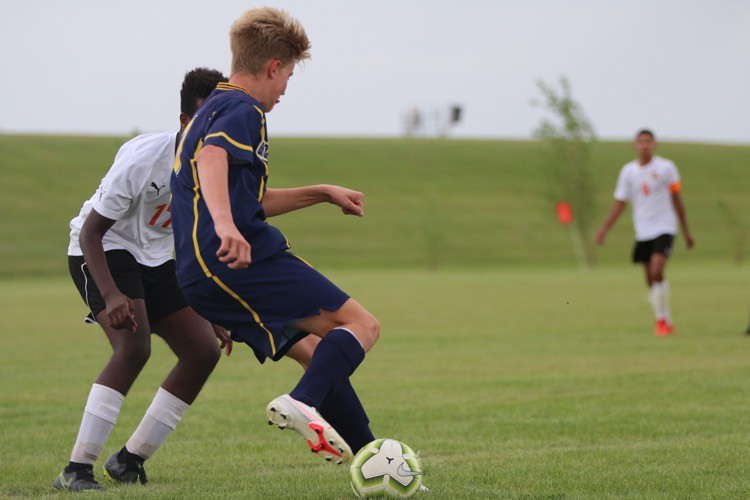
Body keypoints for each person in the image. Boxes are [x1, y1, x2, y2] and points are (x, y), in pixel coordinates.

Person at [170, 7, 378, 465]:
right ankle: (303, 401)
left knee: (318, 351)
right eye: (287, 76)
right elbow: (212, 161)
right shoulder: (244, 108)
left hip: (199, 275)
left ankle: (371, 455)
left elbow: (250, 200)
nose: (285, 89)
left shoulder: (210, 110)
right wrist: (227, 227)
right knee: (362, 326)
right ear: (273, 67)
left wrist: (322, 192)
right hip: (238, 259)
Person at [54, 68, 231, 491]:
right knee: (134, 346)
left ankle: (128, 460)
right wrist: (111, 294)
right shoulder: (144, 159)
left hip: (155, 257)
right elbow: (92, 232)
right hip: (103, 247)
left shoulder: (217, 166)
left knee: (203, 350)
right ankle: (76, 470)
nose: (217, 133)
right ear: (186, 120)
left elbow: (194, 239)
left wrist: (207, 306)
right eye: (207, 121)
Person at [596, 129, 695, 335]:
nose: (644, 146)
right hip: (643, 229)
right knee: (649, 276)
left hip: (665, 226)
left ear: (654, 145)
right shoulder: (628, 172)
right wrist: (605, 228)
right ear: (635, 146)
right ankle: (662, 319)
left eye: (648, 141)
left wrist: (686, 231)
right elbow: (620, 202)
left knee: (657, 270)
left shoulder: (667, 168)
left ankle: (664, 320)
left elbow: (677, 198)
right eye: (641, 142)